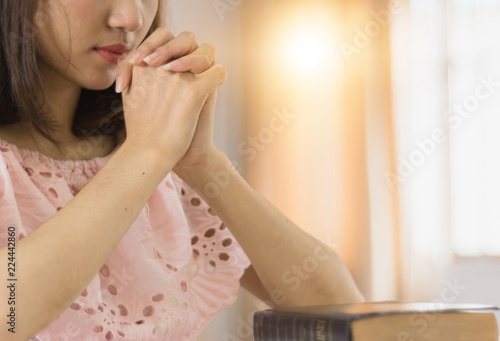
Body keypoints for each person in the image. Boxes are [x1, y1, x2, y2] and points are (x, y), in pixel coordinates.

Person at [0, 0, 364, 340]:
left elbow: (342, 309)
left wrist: (203, 164)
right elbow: (11, 312)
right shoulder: (144, 154)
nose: (131, 18)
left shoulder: (151, 156)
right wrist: (146, 153)